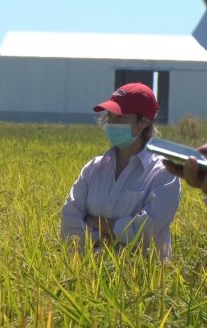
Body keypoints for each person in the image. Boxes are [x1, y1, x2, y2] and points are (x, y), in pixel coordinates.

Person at [61, 82, 181, 259]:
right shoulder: (93, 168)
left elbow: (145, 231)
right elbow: (69, 222)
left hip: (145, 281)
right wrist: (104, 245)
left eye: (121, 118)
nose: (112, 123)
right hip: (89, 278)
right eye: (110, 116)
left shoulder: (164, 174)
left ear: (143, 122)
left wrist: (95, 222)